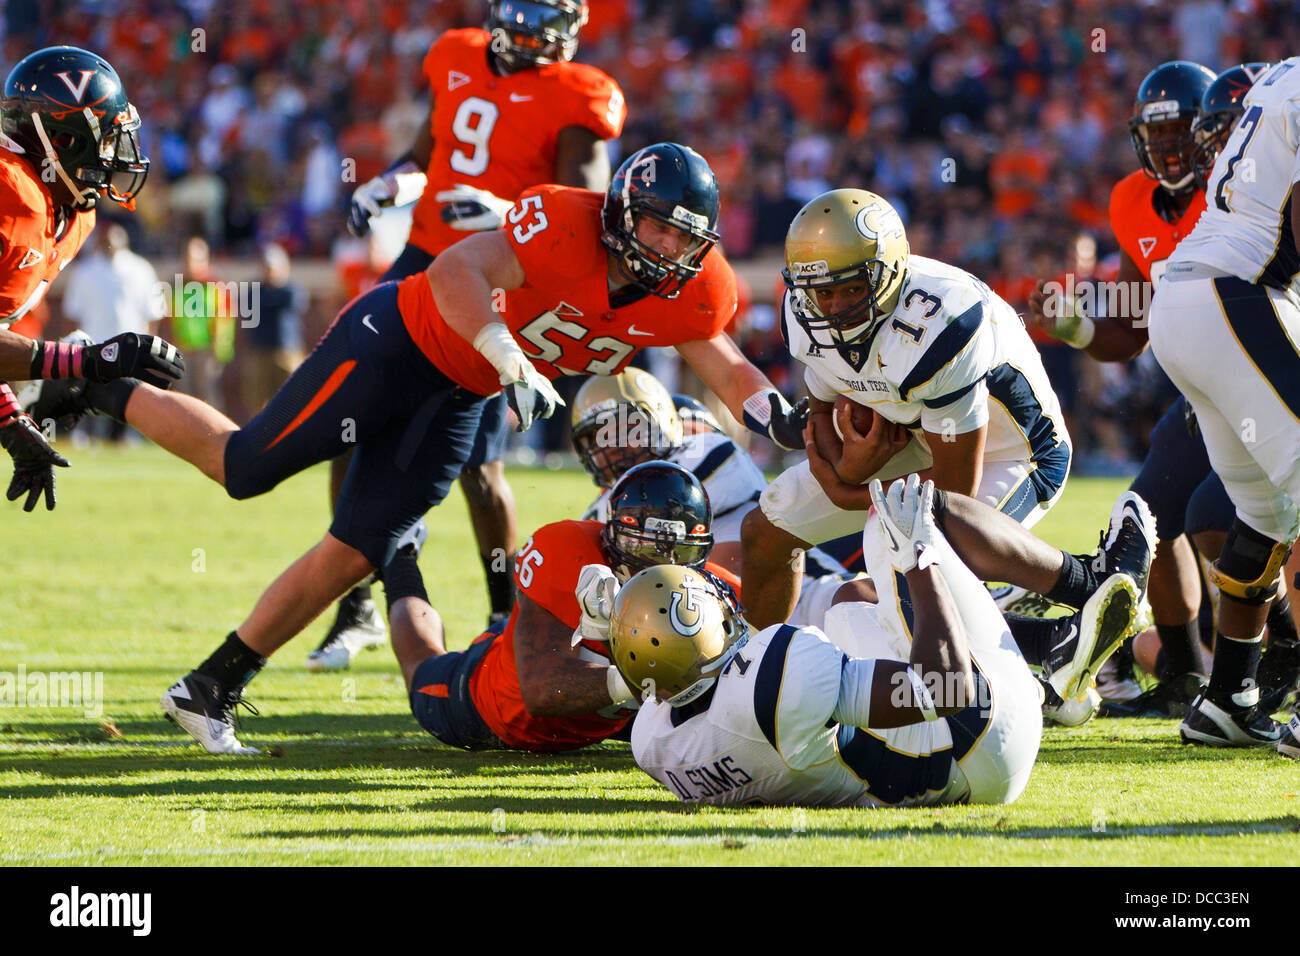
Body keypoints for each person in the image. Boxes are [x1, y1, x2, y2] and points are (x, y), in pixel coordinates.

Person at [56, 142, 805, 753]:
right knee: (244, 466)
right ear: (620, 215)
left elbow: (726, 363)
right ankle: (90, 377)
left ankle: (210, 686)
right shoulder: (564, 221)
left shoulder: (695, 288)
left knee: (358, 548)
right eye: (658, 227)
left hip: (458, 393)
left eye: (686, 235)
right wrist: (508, 356)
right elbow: (453, 271)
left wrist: (782, 418)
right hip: (398, 344)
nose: (670, 246)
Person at [316, 0, 627, 666]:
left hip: (501, 280)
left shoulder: (579, 95)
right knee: (347, 422)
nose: (529, 30)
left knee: (477, 469)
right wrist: (389, 186)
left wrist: (510, 213)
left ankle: (503, 615)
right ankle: (360, 604)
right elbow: (426, 153)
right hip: (422, 260)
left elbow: (590, 218)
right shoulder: (456, 54)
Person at [1029, 61, 1299, 720]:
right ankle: (1191, 672)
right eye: (1164, 137)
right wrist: (1079, 325)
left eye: (1191, 134)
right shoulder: (1135, 200)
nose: (1178, 150)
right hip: (1232, 315)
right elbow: (1129, 320)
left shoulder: (1266, 113)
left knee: (1241, 519)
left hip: (1213, 320)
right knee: (1160, 512)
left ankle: (1232, 690)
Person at [608, 476, 1142, 807]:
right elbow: (947, 688)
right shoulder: (777, 679)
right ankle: (1085, 589)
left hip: (890, 768)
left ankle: (1044, 664)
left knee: (850, 601)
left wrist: (602, 627)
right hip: (979, 747)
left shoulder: (654, 745)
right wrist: (919, 556)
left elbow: (652, 677)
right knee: (898, 515)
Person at [741, 188, 1071, 629]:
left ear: (888, 275)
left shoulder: (942, 323)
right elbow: (820, 408)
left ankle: (1045, 627)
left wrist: (852, 493)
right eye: (823, 294)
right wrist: (845, 466)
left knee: (891, 599)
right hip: (912, 435)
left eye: (851, 289)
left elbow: (954, 493)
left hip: (1008, 454)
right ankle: (763, 666)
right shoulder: (804, 310)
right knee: (764, 533)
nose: (834, 309)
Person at [1144, 56, 1300, 756]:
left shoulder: (1283, 78)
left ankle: (1228, 697)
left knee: (1268, 514)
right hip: (1238, 293)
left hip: (1194, 300)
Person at [383, 462, 737, 752]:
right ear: (613, 532)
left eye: (682, 552)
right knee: (421, 662)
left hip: (601, 715)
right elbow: (541, 692)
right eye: (646, 547)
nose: (665, 563)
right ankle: (399, 555)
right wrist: (658, 680)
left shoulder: (710, 588)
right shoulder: (569, 551)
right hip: (495, 704)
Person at [0, 46, 183, 511]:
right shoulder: (15, 195)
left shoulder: (72, 214)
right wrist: (81, 361)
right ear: (60, 141)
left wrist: (12, 422)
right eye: (105, 140)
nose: (116, 155)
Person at [571, 368, 853, 628]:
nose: (613, 446)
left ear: (664, 422)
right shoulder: (602, 506)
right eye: (597, 438)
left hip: (805, 592)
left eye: (626, 430)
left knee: (860, 609)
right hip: (697, 624)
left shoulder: (707, 453)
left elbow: (726, 558)